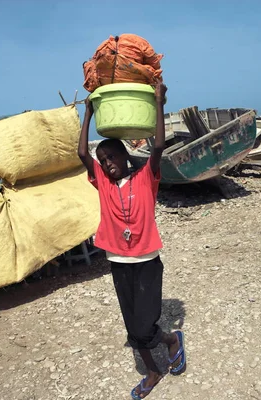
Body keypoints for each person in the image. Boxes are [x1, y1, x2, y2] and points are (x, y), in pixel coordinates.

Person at [78, 83, 186, 399]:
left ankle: (171, 340)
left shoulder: (145, 177)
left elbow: (158, 146)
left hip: (147, 262)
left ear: (125, 155)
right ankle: (153, 370)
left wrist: (159, 103)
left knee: (144, 324)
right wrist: (88, 112)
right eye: (103, 158)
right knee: (131, 326)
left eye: (112, 155)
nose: (107, 161)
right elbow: (82, 153)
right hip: (118, 263)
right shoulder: (102, 183)